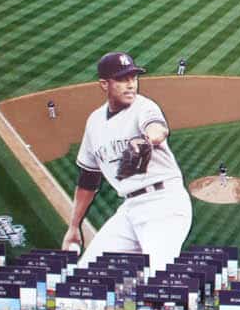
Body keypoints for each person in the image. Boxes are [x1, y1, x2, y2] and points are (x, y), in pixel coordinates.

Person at [63, 51, 192, 271]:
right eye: (123, 79)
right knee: (85, 273)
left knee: (158, 279)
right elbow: (88, 179)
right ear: (104, 84)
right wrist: (74, 226)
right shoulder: (94, 122)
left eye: (133, 78)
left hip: (164, 203)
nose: (131, 84)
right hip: (130, 208)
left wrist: (146, 140)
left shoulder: (144, 107)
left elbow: (158, 129)